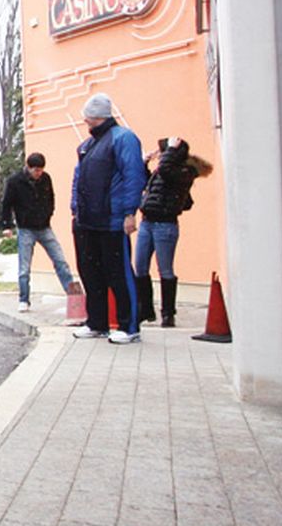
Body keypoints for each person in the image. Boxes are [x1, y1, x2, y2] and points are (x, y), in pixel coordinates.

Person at [71, 92, 147, 344]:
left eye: (88, 118)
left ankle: (129, 326)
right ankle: (97, 323)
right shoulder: (87, 146)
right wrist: (75, 209)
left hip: (112, 220)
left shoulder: (123, 138)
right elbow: (77, 179)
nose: (86, 123)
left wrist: (129, 213)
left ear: (98, 117)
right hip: (87, 221)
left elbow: (133, 177)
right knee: (91, 274)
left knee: (119, 274)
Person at [133, 137, 213, 327]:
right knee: (140, 267)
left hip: (165, 225)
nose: (160, 154)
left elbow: (166, 170)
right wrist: (144, 163)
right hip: (147, 222)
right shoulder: (165, 171)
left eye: (164, 151)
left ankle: (168, 314)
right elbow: (147, 182)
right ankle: (146, 310)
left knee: (165, 269)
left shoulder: (184, 172)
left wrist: (169, 150)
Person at [0, 152, 79, 312]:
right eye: (36, 170)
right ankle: (24, 299)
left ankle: (74, 298)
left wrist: (48, 214)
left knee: (60, 261)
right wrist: (6, 226)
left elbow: (51, 198)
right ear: (28, 168)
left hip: (44, 227)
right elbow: (6, 204)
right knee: (24, 267)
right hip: (25, 228)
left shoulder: (46, 179)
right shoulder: (15, 181)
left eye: (41, 170)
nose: (39, 173)